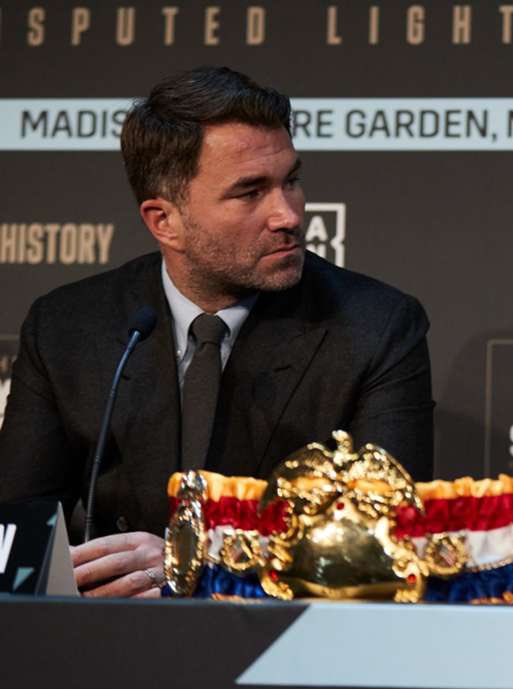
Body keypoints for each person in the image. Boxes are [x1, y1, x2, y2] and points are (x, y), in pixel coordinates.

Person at [0, 67, 435, 598]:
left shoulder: (377, 326)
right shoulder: (68, 326)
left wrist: (195, 561)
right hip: (110, 642)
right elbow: (16, 535)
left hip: (285, 640)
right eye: (250, 192)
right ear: (165, 221)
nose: (288, 214)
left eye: (290, 181)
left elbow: (384, 541)